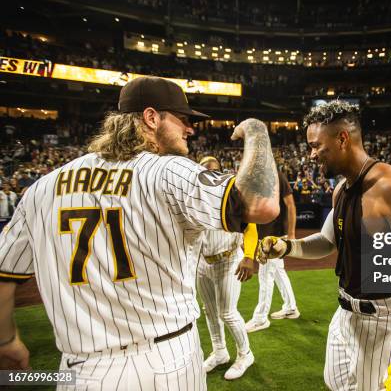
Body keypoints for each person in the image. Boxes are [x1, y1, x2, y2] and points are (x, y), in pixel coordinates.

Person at [0, 76, 279, 390]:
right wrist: (257, 131)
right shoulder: (169, 170)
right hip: (166, 360)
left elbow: (3, 274)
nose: (190, 129)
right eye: (183, 120)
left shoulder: (43, 187)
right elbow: (262, 205)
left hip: (80, 372)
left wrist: (5, 340)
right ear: (151, 118)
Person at [257, 101, 391, 391]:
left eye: (316, 146)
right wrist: (288, 247)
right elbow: (327, 241)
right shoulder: (341, 189)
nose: (311, 155)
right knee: (335, 384)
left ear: (342, 138)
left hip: (385, 322)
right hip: (345, 315)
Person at [195, 156, 257, 380]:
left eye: (214, 170)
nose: (210, 174)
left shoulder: (232, 194)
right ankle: (220, 351)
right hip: (203, 262)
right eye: (204, 170)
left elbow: (249, 227)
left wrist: (249, 256)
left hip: (228, 259)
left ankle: (245, 354)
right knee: (209, 311)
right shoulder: (193, 195)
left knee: (227, 313)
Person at [245, 169, 300, 333]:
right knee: (278, 273)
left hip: (274, 238)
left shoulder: (276, 175)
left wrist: (291, 234)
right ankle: (290, 307)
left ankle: (260, 318)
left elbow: (290, 205)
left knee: (265, 277)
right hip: (265, 236)